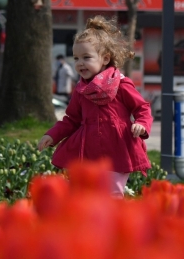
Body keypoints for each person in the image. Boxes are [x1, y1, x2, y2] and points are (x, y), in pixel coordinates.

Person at [37, 16, 152, 198]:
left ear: (105, 58)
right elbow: (72, 119)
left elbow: (142, 108)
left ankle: (115, 225)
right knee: (86, 194)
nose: (80, 63)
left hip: (118, 149)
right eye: (76, 58)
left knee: (113, 194)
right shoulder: (81, 90)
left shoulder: (121, 84)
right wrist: (52, 135)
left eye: (86, 57)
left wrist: (142, 124)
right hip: (88, 150)